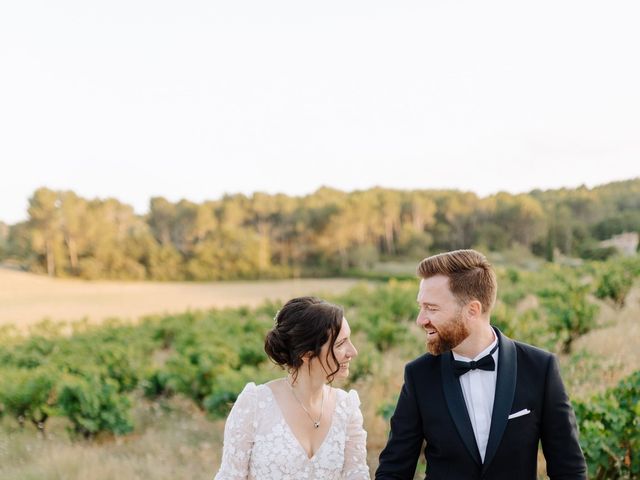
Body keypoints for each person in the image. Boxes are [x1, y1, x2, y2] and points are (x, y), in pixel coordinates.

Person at [375, 249, 587, 480]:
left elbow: (569, 470)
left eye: (432, 308)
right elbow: (393, 472)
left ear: (472, 310)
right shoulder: (418, 375)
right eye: (421, 307)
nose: (421, 319)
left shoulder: (540, 368)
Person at [214, 296, 371, 479]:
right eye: (340, 344)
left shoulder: (347, 407)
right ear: (306, 354)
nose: (353, 352)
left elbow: (358, 475)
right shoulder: (255, 404)